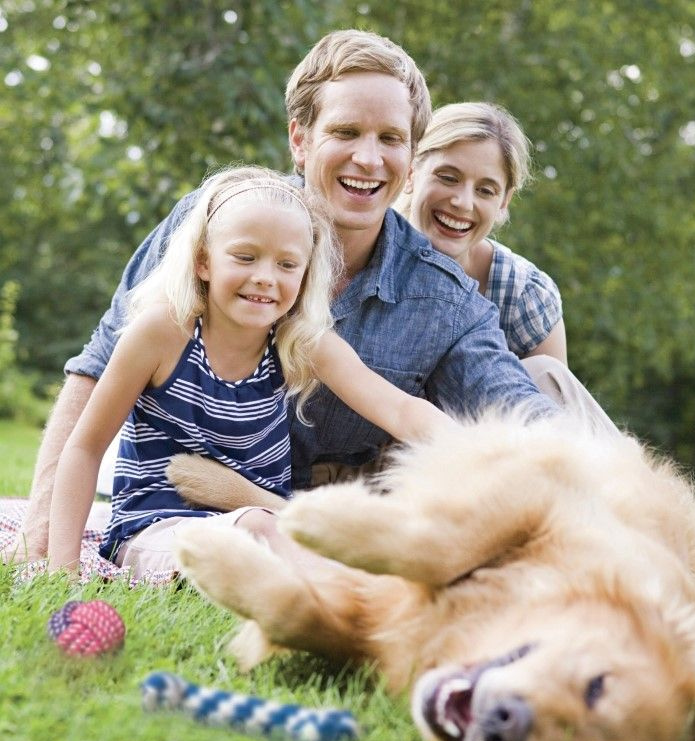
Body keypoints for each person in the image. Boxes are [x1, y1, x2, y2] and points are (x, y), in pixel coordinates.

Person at [20, 28, 557, 562]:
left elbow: (505, 410)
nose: (369, 160)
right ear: (300, 140)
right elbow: (96, 370)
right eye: (346, 131)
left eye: (391, 139)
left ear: (411, 156)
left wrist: (576, 478)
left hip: (314, 519)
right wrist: (44, 535)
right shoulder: (213, 224)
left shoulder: (444, 301)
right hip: (180, 508)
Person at [47, 166, 452, 575]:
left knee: (331, 543)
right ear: (204, 261)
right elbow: (85, 447)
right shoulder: (162, 333)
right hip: (157, 531)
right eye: (245, 257)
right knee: (261, 533)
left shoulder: (296, 339)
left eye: (287, 265)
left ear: (306, 273)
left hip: (268, 525)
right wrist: (61, 569)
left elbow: (400, 409)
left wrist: (474, 450)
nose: (264, 279)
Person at [394, 101, 567, 363]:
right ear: (411, 172)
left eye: (485, 191)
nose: (463, 202)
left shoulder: (523, 295)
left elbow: (555, 402)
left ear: (504, 202)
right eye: (448, 178)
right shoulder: (362, 257)